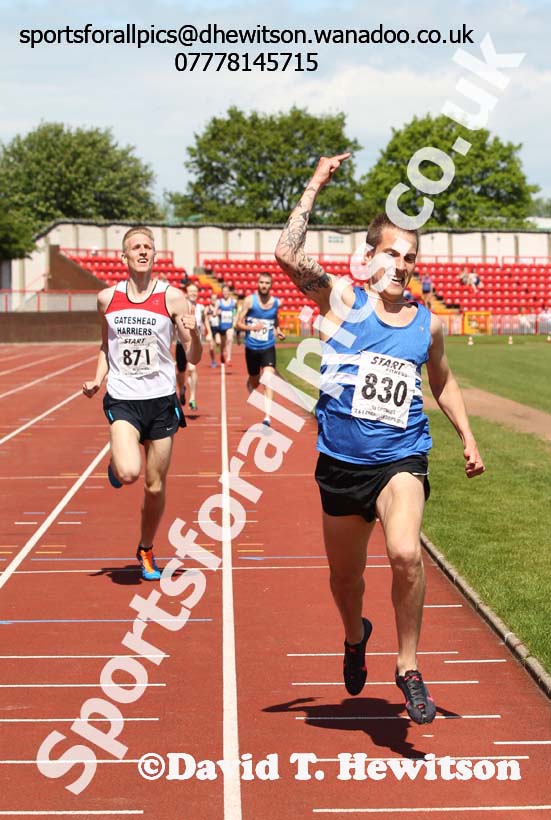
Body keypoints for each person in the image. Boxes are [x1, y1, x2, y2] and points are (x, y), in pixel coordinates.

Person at [275, 154, 484, 724]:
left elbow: (441, 380)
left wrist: (466, 434)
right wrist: (315, 180)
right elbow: (286, 255)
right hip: (340, 464)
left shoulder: (427, 324)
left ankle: (409, 666)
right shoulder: (343, 300)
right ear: (369, 258)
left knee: (404, 552)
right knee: (346, 579)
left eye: (410, 257)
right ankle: (354, 633)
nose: (402, 264)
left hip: (401, 459)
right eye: (392, 252)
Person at [82, 226, 202, 581]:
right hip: (123, 399)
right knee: (130, 473)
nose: (143, 251)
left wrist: (193, 332)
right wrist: (97, 378)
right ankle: (118, 464)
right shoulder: (107, 299)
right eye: (136, 247)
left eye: (148, 246)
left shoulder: (174, 298)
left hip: (162, 402)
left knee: (154, 486)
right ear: (124, 256)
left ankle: (146, 547)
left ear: (155, 254)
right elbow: (107, 347)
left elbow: (192, 355)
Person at [235, 272, 285, 427]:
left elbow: (274, 319)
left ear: (271, 285)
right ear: (258, 283)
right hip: (251, 347)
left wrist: (278, 330)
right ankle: (251, 383)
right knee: (255, 381)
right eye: (262, 282)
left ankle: (267, 417)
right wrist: (252, 327)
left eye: (267, 283)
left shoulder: (276, 302)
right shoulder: (250, 301)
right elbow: (237, 324)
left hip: (268, 346)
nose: (264, 285)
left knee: (269, 379)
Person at [182, 282, 211, 411]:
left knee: (192, 368)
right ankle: (182, 390)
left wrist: (209, 332)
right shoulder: (181, 307)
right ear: (186, 293)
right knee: (180, 372)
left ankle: (192, 398)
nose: (193, 293)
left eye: (195, 291)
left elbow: (205, 320)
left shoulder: (201, 308)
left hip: (194, 343)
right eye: (191, 291)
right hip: (180, 343)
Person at [218, 284, 237, 365]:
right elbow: (215, 312)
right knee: (223, 342)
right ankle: (222, 353)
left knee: (229, 339)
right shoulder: (219, 302)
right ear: (222, 292)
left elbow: (235, 312)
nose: (225, 293)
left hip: (230, 324)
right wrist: (218, 312)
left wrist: (234, 316)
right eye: (224, 291)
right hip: (221, 325)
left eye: (227, 291)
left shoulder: (233, 302)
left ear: (229, 292)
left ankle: (229, 358)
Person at [205, 292, 220, 368]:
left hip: (217, 329)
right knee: (211, 347)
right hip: (210, 328)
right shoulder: (208, 308)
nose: (214, 300)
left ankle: (218, 350)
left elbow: (219, 314)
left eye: (215, 298)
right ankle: (213, 360)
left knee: (218, 342)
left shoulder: (219, 307)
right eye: (212, 298)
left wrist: (217, 310)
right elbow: (205, 317)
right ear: (210, 299)